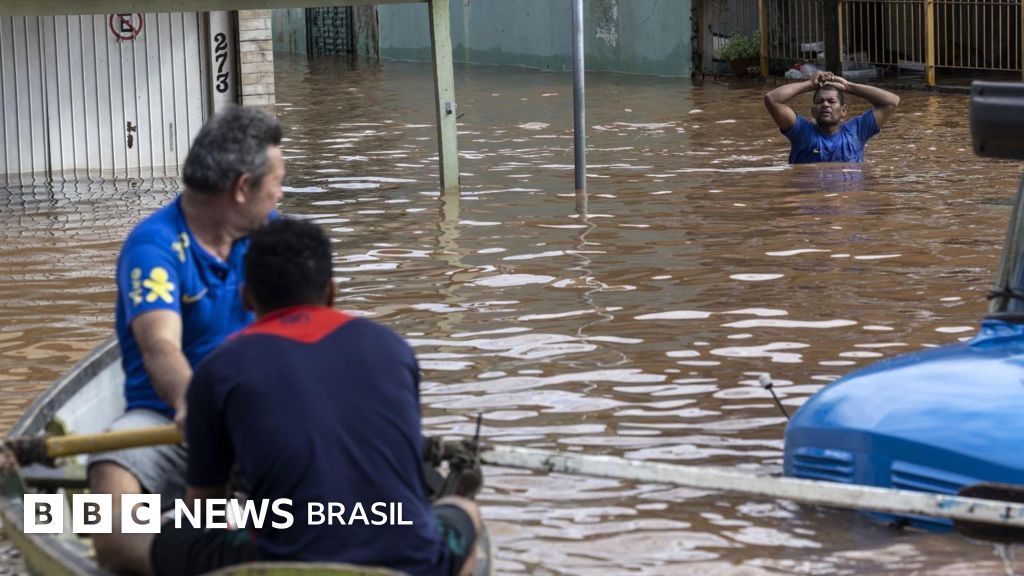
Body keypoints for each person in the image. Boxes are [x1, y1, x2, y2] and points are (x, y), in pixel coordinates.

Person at [109, 218, 478, 576]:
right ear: (332, 292)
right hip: (411, 560)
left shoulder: (220, 368)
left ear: (247, 299)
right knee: (465, 511)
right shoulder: (395, 350)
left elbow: (207, 511)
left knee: (119, 533)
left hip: (279, 557)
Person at [90, 106, 285, 571]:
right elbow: (161, 346)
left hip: (256, 414)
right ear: (242, 188)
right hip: (166, 418)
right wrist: (194, 406)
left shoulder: (270, 233)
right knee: (109, 473)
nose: (280, 192)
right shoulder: (154, 246)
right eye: (277, 180)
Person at [764, 71, 900, 164]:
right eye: (819, 102)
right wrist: (809, 84)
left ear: (844, 111)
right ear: (813, 112)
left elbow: (892, 101)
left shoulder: (857, 131)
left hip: (847, 204)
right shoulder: (802, 132)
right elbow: (772, 99)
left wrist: (848, 86)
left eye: (831, 101)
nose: (825, 105)